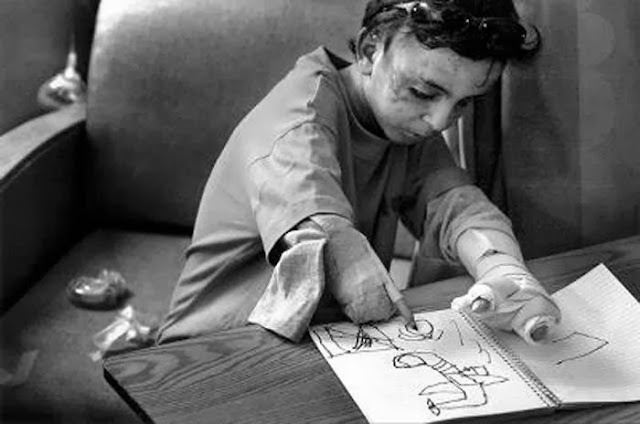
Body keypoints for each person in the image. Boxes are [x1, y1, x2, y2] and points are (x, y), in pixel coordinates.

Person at [157, 0, 561, 345]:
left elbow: (457, 207)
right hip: (212, 352)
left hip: (327, 341)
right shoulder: (296, 123)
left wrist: (504, 270)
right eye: (423, 92)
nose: (439, 121)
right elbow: (326, 236)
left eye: (464, 103)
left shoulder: (404, 125)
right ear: (370, 50)